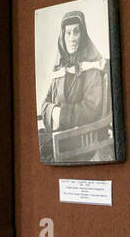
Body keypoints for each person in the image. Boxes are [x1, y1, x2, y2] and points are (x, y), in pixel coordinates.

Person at [38, 11, 112, 161]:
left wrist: (61, 115)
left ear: (83, 35)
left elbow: (91, 109)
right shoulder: (60, 69)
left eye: (76, 32)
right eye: (68, 33)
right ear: (62, 37)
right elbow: (45, 103)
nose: (72, 38)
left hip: (81, 138)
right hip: (62, 134)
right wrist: (54, 111)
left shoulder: (91, 68)